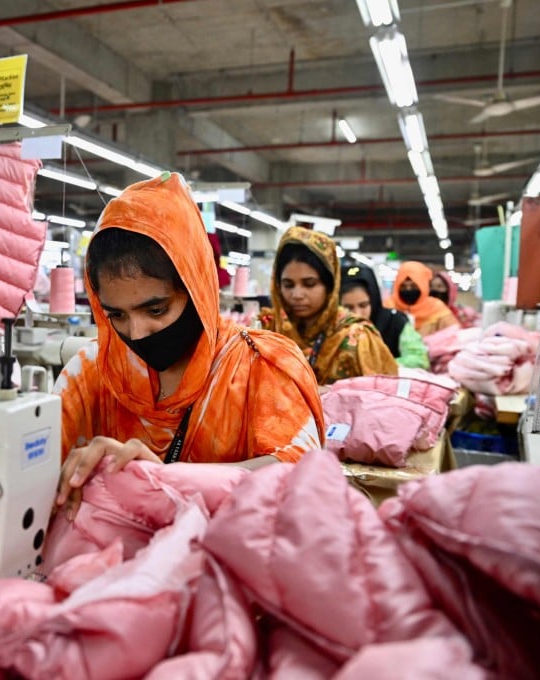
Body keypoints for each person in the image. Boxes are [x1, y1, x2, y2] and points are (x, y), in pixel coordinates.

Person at [54, 173, 324, 520]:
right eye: (115, 315)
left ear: (198, 289)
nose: (136, 333)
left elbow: (301, 474)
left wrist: (169, 480)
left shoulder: (262, 366)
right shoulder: (92, 372)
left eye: (156, 310)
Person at [261, 227, 397, 386]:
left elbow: (379, 399)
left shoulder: (357, 339)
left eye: (309, 284)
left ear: (330, 286)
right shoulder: (265, 331)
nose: (297, 294)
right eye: (288, 285)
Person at [340, 262, 429, 369]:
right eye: (348, 308)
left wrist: (378, 365)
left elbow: (419, 359)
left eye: (363, 305)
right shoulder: (332, 327)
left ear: (374, 301)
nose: (357, 313)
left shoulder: (395, 322)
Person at [385, 261, 459, 337]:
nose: (408, 289)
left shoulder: (437, 308)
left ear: (423, 286)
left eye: (414, 286)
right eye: (403, 286)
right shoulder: (388, 307)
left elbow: (454, 334)